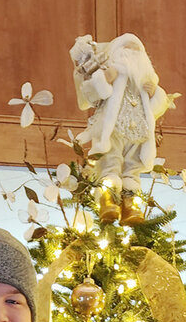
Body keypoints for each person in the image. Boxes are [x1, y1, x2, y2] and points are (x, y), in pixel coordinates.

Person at [70, 32, 176, 224]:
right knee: (111, 161)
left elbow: (156, 108)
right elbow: (89, 97)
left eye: (136, 50)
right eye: (127, 49)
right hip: (114, 130)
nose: (131, 54)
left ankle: (130, 203)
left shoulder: (147, 79)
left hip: (138, 133)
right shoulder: (110, 72)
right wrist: (105, 80)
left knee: (132, 167)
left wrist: (155, 95)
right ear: (117, 52)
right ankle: (108, 198)